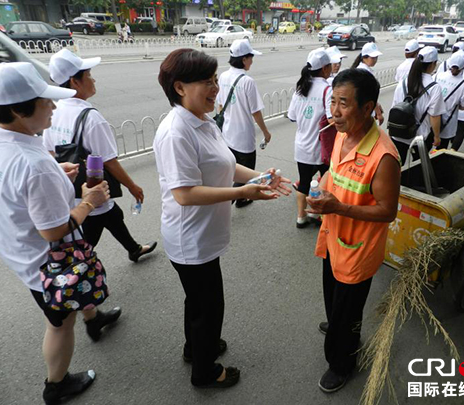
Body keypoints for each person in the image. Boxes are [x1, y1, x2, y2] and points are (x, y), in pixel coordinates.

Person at [154, 48, 290, 389]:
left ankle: (195, 348)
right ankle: (205, 371)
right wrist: (242, 193)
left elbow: (226, 164)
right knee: (209, 307)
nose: (215, 88)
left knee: (197, 301)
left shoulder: (201, 119)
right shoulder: (176, 132)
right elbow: (184, 193)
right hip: (190, 238)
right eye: (206, 82)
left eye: (215, 80)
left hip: (204, 233)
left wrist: (258, 177)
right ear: (180, 87)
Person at [0, 62, 121, 404]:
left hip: (16, 246)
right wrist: (89, 201)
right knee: (59, 324)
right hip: (45, 263)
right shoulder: (34, 165)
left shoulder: (12, 142)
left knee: (72, 295)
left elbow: (19, 188)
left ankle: (93, 319)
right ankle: (57, 384)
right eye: (45, 101)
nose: (53, 106)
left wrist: (55, 170)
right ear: (17, 110)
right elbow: (53, 229)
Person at [307, 68, 400, 393]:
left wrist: (338, 207)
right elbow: (335, 176)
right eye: (332, 101)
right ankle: (339, 326)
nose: (334, 110)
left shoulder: (384, 156)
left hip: (358, 249)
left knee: (347, 312)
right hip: (334, 237)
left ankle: (341, 363)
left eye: (343, 103)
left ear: (367, 107)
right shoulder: (343, 135)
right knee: (334, 301)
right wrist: (319, 193)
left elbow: (387, 211)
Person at [43, 49, 157, 263]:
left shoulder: (53, 110)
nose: (93, 79)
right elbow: (109, 161)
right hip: (92, 189)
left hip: (70, 188)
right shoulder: (91, 118)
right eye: (88, 75)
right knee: (91, 234)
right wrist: (133, 186)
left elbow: (50, 152)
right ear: (75, 82)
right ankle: (73, 274)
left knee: (113, 216)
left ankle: (134, 249)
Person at [217, 39, 271, 208]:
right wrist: (266, 132)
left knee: (231, 171)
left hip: (227, 134)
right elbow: (255, 111)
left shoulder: (223, 76)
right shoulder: (247, 82)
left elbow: (220, 106)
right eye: (250, 57)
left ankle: (240, 199)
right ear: (243, 59)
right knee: (246, 174)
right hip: (244, 137)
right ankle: (226, 204)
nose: (252, 61)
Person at [288, 48, 332, 228]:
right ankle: (319, 215)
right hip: (320, 147)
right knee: (324, 180)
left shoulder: (300, 88)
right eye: (329, 66)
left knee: (304, 181)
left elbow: (292, 116)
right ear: (324, 69)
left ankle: (301, 217)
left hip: (301, 145)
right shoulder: (327, 89)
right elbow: (331, 119)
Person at [390, 46, 446, 164]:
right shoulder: (434, 88)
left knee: (397, 165)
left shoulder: (404, 82)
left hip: (398, 133)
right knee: (419, 166)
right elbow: (434, 116)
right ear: (432, 64)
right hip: (418, 138)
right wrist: (436, 136)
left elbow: (394, 105)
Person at [433, 53, 464, 149]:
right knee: (441, 149)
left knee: (425, 145)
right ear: (463, 67)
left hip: (431, 118)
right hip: (447, 122)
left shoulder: (438, 76)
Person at [351, 42, 384, 124]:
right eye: (372, 57)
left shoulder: (361, 69)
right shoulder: (364, 73)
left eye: (376, 57)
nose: (375, 60)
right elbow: (369, 95)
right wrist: (379, 114)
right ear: (364, 57)